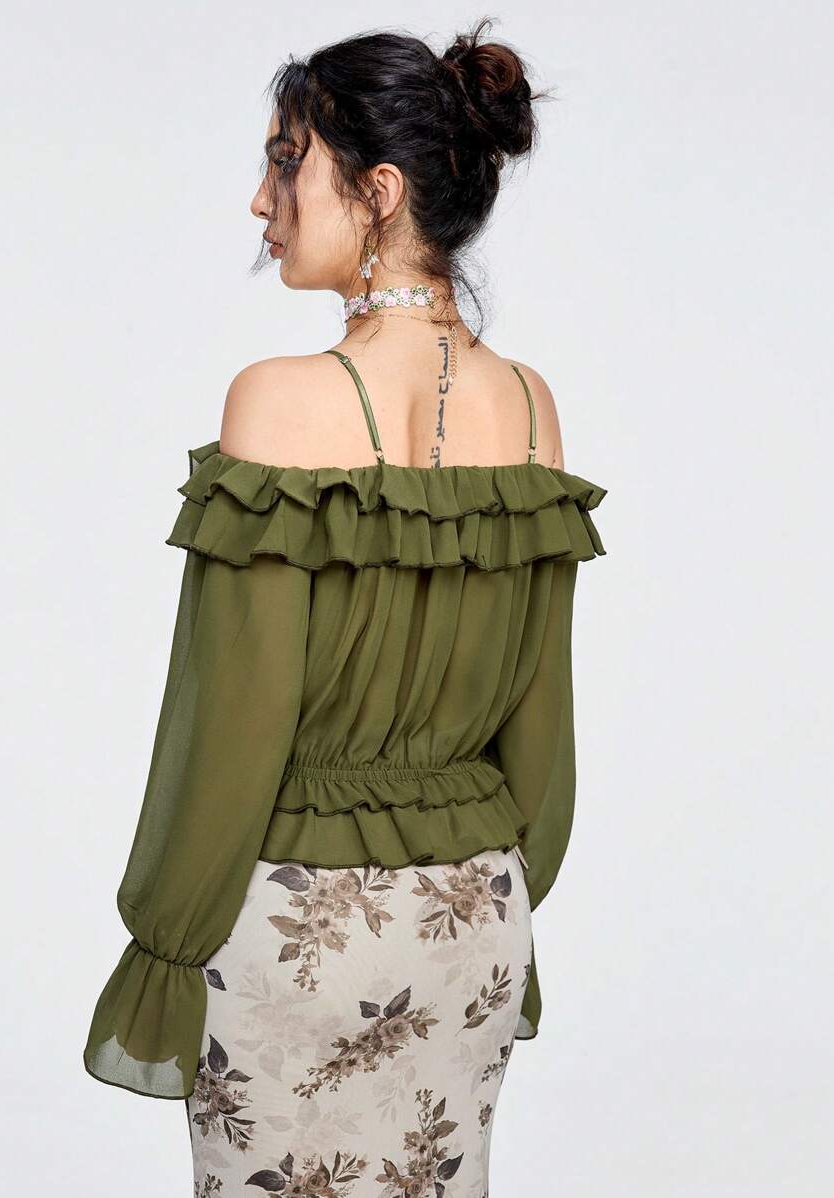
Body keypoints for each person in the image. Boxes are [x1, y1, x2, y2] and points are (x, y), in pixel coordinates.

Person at [83, 18, 608, 1197]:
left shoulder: (275, 400)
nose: (259, 201)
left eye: (287, 163)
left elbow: (232, 723)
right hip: (475, 914)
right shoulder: (532, 407)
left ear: (377, 192)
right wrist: (497, 887)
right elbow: (543, 726)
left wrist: (166, 938)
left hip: (299, 925)